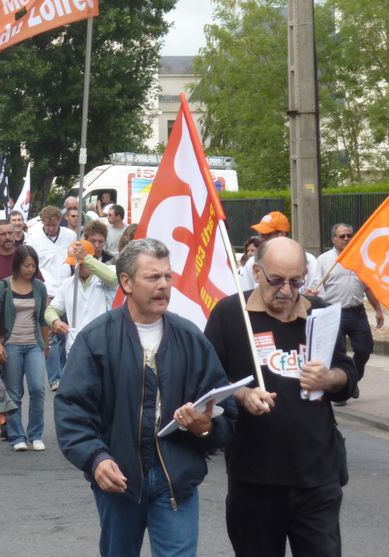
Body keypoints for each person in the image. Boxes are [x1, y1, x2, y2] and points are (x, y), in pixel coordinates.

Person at [55, 238, 238, 557]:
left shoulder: (191, 338)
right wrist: (96, 459)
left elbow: (224, 416)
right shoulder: (97, 339)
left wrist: (204, 427)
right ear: (125, 282)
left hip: (176, 482)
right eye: (153, 277)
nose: (163, 285)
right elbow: (72, 411)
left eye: (168, 277)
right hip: (119, 481)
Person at [204, 236, 357, 557]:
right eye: (276, 280)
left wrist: (329, 378)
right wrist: (242, 394)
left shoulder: (321, 313)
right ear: (257, 272)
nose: (286, 290)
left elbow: (347, 375)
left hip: (317, 475)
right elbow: (208, 381)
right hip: (255, 478)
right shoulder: (232, 313)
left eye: (295, 281)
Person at [0, 245, 50, 451]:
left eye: (34, 265)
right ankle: (17, 436)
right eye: (26, 265)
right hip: (11, 344)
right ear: (17, 265)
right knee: (14, 392)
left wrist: (46, 344)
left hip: (34, 345)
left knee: (37, 388)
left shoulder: (40, 287)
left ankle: (35, 434)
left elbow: (43, 319)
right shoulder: (3, 286)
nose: (30, 269)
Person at [310, 223, 384, 393]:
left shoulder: (361, 259)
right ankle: (342, 390)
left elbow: (368, 287)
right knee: (339, 355)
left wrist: (378, 310)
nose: (346, 239)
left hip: (358, 313)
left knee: (364, 350)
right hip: (335, 313)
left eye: (349, 235)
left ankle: (352, 379)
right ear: (333, 239)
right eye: (342, 236)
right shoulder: (324, 260)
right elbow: (317, 289)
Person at [26, 205, 76, 391]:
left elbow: (75, 263)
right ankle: (55, 378)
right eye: (47, 225)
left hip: (67, 288)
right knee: (52, 335)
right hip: (46, 290)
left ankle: (64, 372)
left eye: (54, 225)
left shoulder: (70, 236)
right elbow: (31, 267)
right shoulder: (34, 239)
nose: (51, 228)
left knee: (65, 333)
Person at [46, 239, 117, 355]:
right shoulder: (67, 284)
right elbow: (51, 310)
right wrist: (55, 321)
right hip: (75, 346)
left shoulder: (104, 275)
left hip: (103, 346)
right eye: (73, 265)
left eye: (80, 264)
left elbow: (113, 279)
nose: (76, 267)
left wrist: (86, 258)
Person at [239, 211, 319, 291]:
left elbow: (317, 296)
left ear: (281, 234)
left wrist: (308, 299)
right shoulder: (253, 262)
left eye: (266, 235)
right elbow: (244, 296)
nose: (261, 239)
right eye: (260, 235)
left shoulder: (308, 260)